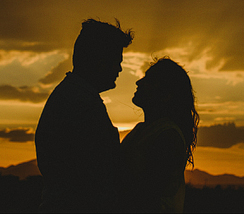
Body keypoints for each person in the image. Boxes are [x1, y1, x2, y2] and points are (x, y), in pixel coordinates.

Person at [34, 18, 134, 213]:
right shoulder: (81, 105)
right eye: (116, 62)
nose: (120, 69)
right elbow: (96, 180)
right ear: (99, 60)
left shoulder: (73, 97)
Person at [118, 57, 198, 213]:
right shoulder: (143, 130)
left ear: (166, 95)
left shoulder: (167, 137)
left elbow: (147, 196)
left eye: (149, 80)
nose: (138, 83)